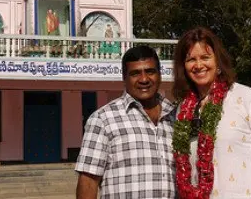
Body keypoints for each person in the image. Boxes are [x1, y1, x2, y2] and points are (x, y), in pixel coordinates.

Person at [172, 26, 251, 199]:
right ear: (184, 66)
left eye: (205, 57)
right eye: (191, 60)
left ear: (218, 61)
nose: (198, 65)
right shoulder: (183, 111)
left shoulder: (246, 98)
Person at [75, 45, 176, 198]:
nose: (144, 79)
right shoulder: (103, 119)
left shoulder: (176, 117)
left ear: (160, 75)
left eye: (150, 71)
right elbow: (88, 182)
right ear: (124, 77)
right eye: (135, 73)